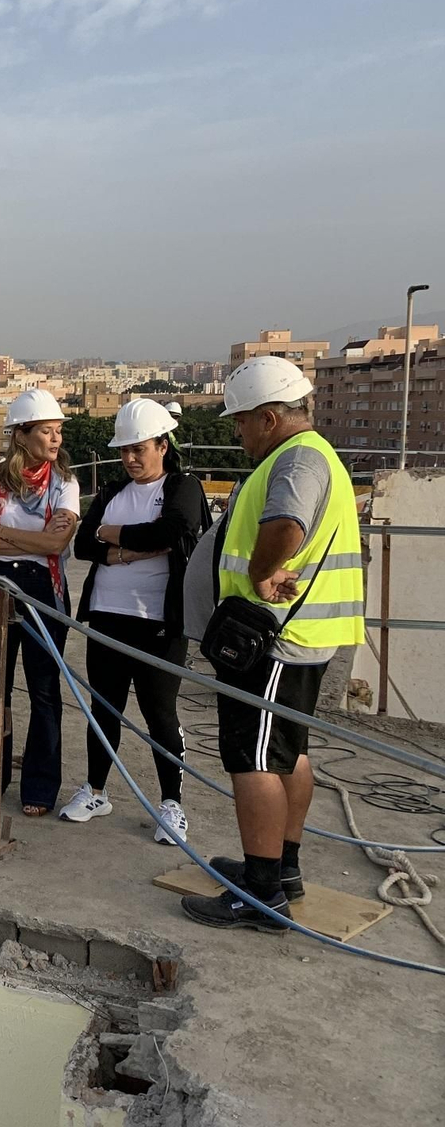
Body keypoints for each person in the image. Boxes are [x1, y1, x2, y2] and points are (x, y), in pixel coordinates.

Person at [180, 357, 364, 932]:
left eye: (241, 422)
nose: (237, 433)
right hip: (295, 637)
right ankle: (281, 869)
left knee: (254, 760)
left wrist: (262, 573)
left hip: (275, 641)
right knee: (287, 754)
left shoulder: (298, 460)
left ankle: (261, 894)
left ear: (268, 417)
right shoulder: (306, 455)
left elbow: (286, 526)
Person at [62, 399, 209, 844]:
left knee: (159, 713)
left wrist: (113, 535)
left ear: (163, 446)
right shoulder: (112, 493)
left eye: (138, 448)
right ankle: (96, 791)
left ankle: (171, 804)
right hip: (108, 615)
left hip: (158, 622)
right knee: (104, 708)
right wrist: (129, 550)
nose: (129, 458)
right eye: (124, 450)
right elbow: (83, 546)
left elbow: (174, 530)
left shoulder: (183, 487)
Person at [0, 389, 79, 815]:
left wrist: (5, 533)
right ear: (21, 435)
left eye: (58, 431)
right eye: (46, 431)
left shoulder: (65, 482)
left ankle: (40, 787)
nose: (55, 439)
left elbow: (56, 544)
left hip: (43, 588)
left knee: (43, 690)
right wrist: (32, 539)